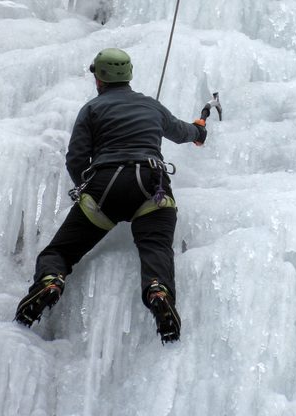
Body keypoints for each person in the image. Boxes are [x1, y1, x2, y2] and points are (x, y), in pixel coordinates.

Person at [15, 47, 206, 343]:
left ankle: (50, 281)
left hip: (104, 188)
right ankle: (158, 290)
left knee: (60, 252)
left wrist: (87, 193)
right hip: (150, 184)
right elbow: (181, 133)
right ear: (129, 75)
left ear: (99, 79)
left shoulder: (92, 110)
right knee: (156, 247)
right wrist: (199, 132)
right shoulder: (151, 106)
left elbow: (76, 159)